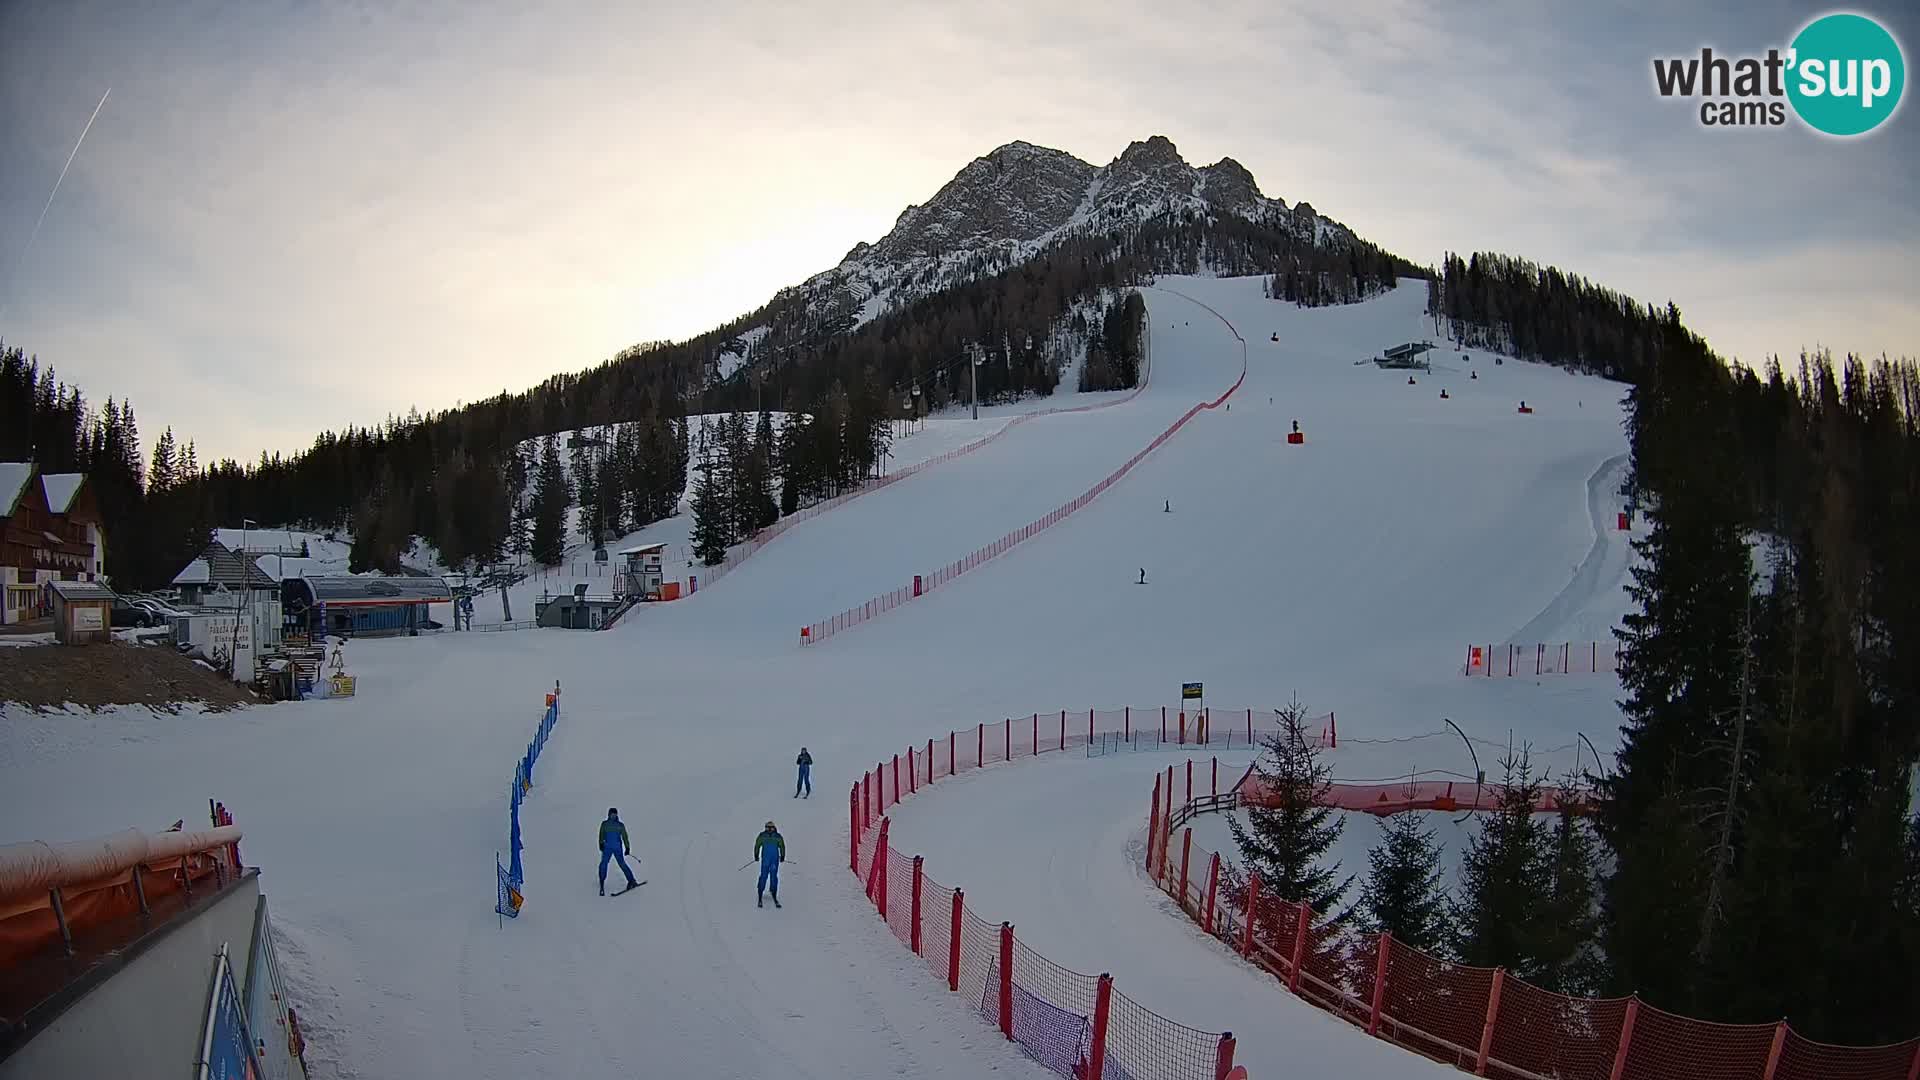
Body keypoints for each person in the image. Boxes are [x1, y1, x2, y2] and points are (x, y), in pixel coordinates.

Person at [597, 808, 639, 895]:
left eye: (615, 814)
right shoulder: (605, 824)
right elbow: (601, 834)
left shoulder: (620, 825)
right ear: (609, 815)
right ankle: (602, 880)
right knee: (604, 863)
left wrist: (627, 848)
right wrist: (601, 843)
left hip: (617, 848)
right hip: (607, 848)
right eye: (612, 814)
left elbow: (625, 837)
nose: (613, 816)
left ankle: (631, 880)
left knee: (622, 863)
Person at [756, 821, 786, 908]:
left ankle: (773, 891)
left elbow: (782, 846)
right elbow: (757, 845)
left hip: (774, 860)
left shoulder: (777, 837)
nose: (769, 829)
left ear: (774, 828)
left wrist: (782, 855)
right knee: (764, 876)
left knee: (773, 876)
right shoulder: (762, 836)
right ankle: (760, 891)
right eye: (767, 828)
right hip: (765, 860)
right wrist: (756, 855)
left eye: (771, 828)